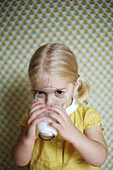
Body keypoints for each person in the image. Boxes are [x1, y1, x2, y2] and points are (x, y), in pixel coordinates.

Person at [11, 43, 108, 170]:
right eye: (40, 92)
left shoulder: (87, 116)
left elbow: (99, 159)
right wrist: (28, 138)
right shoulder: (32, 116)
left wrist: (73, 134)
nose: (49, 102)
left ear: (75, 86)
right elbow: (19, 161)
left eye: (59, 92)